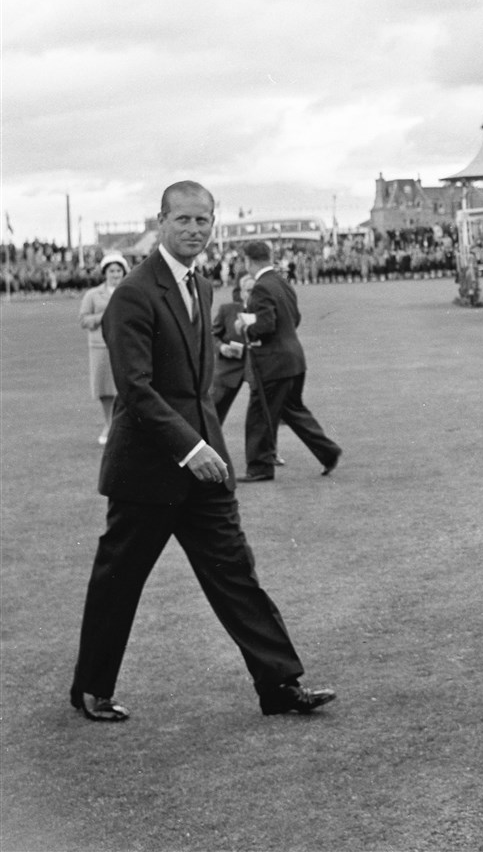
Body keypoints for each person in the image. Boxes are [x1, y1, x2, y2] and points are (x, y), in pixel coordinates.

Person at [69, 181, 336, 721]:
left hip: (205, 469)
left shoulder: (204, 284)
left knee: (237, 575)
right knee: (118, 582)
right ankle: (91, 689)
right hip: (148, 472)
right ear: (161, 221)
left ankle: (280, 685)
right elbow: (136, 389)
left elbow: (197, 385)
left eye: (203, 221)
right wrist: (191, 449)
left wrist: (209, 448)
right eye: (184, 219)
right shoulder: (135, 294)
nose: (195, 229)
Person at [236, 241, 342, 483]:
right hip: (293, 359)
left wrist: (246, 324)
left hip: (273, 364)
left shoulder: (261, 287)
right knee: (293, 410)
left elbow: (266, 325)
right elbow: (294, 318)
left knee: (259, 415)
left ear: (249, 261)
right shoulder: (282, 282)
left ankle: (260, 467)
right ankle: (328, 452)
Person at [78, 251, 128, 445]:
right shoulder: (92, 295)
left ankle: (122, 427)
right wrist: (105, 315)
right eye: (111, 271)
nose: (115, 275)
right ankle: (109, 424)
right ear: (105, 273)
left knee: (124, 388)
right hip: (101, 346)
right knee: (105, 389)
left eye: (118, 271)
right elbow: (83, 320)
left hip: (126, 346)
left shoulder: (130, 292)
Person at [210, 273, 254, 423]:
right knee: (212, 416)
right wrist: (221, 347)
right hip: (228, 370)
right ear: (241, 293)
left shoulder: (265, 313)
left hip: (254, 372)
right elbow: (212, 335)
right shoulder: (227, 310)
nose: (252, 295)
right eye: (249, 291)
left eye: (256, 291)